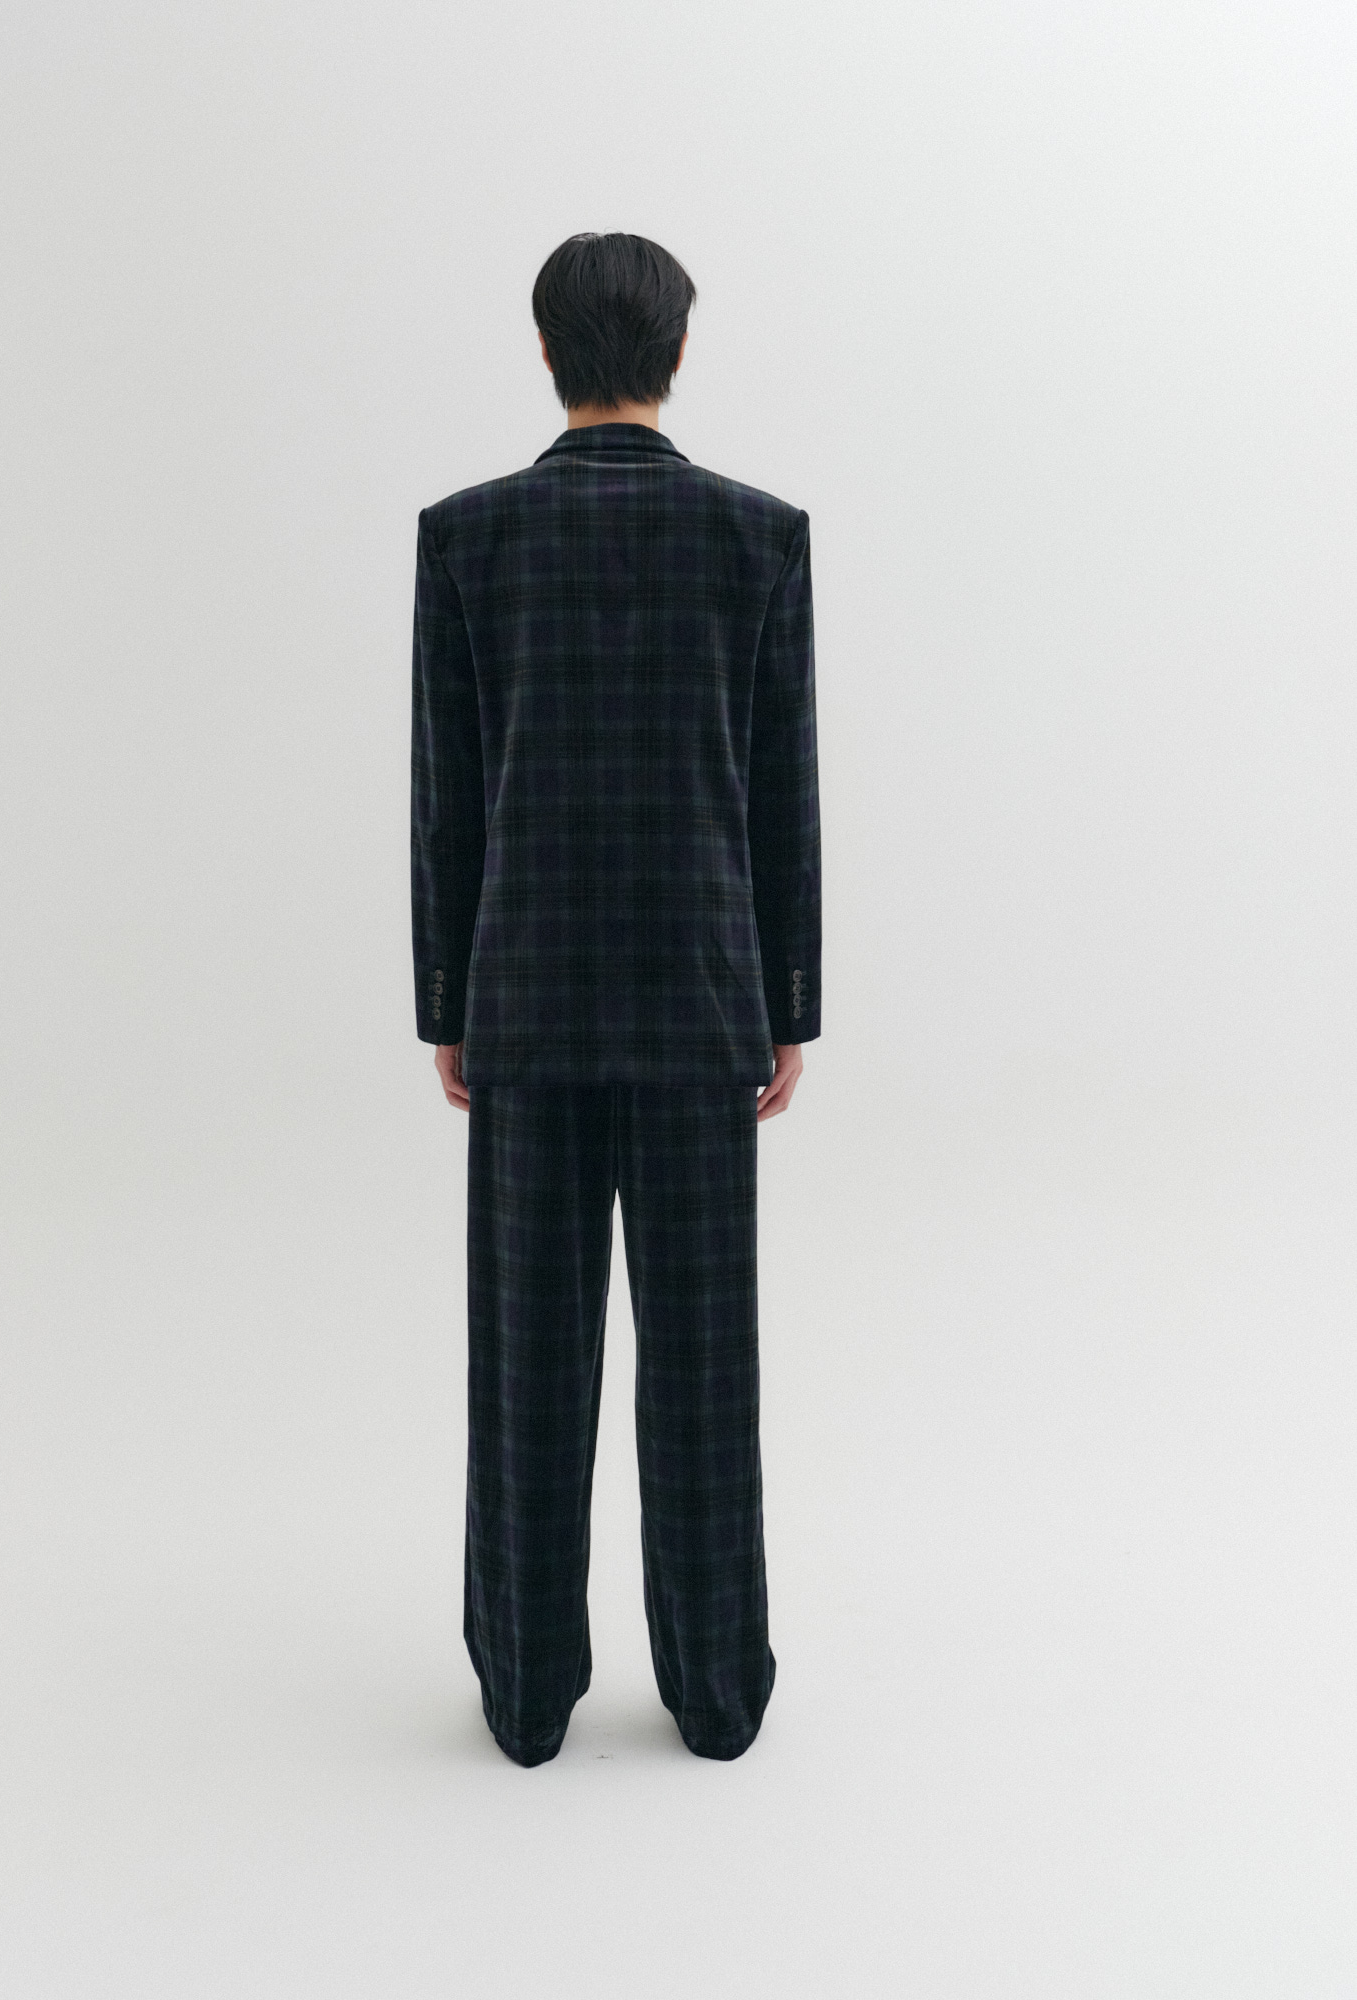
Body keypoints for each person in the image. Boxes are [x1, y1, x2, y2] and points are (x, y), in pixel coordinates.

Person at [410, 231, 820, 1766]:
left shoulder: (468, 538)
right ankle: (716, 1693)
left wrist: (445, 1002)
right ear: (677, 352)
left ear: (547, 351)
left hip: (524, 1003)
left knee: (528, 1364)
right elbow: (782, 794)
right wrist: (789, 1000)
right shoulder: (758, 537)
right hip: (706, 1002)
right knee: (705, 1369)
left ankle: (526, 1695)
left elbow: (447, 800)